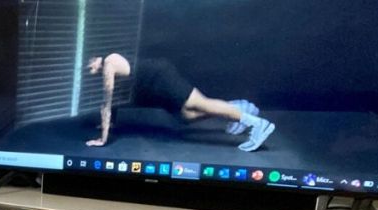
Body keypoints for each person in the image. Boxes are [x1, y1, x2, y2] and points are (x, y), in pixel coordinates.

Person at [86, 53, 276, 152]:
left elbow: (107, 102)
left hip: (161, 77)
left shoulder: (109, 63)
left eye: (90, 66)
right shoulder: (110, 68)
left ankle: (258, 124)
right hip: (156, 87)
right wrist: (110, 123)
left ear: (96, 59)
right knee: (186, 116)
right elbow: (116, 99)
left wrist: (103, 138)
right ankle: (237, 108)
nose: (89, 71)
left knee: (201, 103)